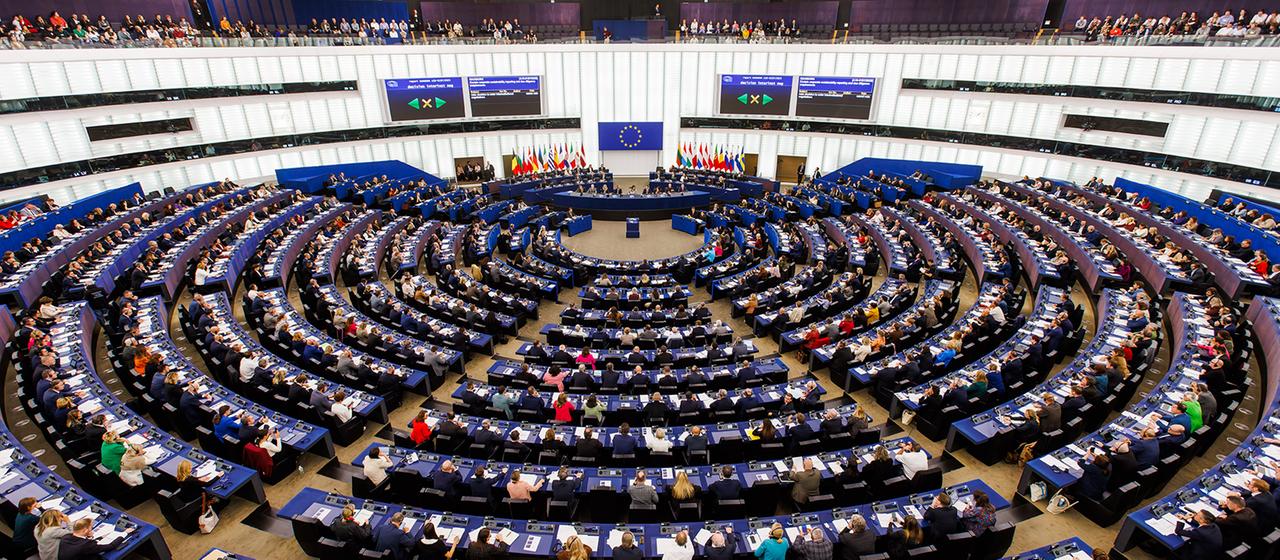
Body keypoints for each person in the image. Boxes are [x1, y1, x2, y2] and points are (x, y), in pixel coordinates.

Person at [57, 517, 132, 559]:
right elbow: (110, 546)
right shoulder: (86, 545)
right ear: (85, 530)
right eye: (91, 528)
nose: (91, 529)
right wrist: (124, 533)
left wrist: (93, 537)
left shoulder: (66, 537)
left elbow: (78, 542)